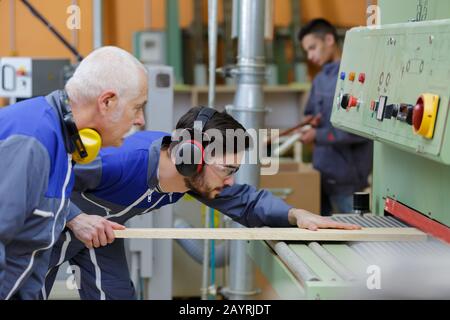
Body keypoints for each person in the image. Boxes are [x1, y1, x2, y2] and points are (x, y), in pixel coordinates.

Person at [43, 106, 361, 300]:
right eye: (227, 170)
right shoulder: (121, 159)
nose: (230, 181)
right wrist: (74, 218)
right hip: (47, 223)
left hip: (101, 234)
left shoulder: (189, 177)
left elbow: (246, 202)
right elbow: (41, 175)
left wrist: (296, 215)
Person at [0, 46, 148, 300]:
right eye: (137, 107)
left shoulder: (62, 144)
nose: (140, 120)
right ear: (107, 102)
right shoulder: (33, 141)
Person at [298, 19, 373, 215]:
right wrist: (311, 121)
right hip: (321, 177)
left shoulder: (355, 77)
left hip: (347, 181)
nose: (310, 55)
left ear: (329, 39)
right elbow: (311, 113)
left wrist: (317, 135)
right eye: (307, 51)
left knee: (355, 240)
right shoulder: (320, 79)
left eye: (313, 47)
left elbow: (361, 131)